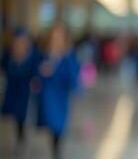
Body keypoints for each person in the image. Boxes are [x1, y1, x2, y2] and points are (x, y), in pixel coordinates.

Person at [34, 24, 80, 159]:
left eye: (60, 37)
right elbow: (35, 73)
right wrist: (42, 71)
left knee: (59, 125)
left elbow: (73, 77)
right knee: (51, 121)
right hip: (48, 94)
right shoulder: (44, 54)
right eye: (54, 36)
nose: (57, 40)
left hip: (61, 95)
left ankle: (57, 151)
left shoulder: (68, 56)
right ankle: (55, 148)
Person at [1, 28, 38, 145]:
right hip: (12, 90)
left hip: (25, 91)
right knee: (15, 116)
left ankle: (22, 137)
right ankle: (20, 136)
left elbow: (36, 72)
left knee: (23, 115)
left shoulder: (32, 55)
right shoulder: (8, 55)